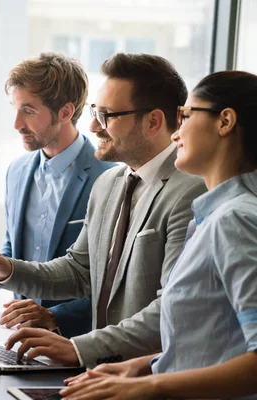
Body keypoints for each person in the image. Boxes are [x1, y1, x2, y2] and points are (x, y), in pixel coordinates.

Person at [0, 53, 206, 368]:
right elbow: (78, 271)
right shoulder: (109, 183)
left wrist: (78, 349)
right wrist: (5, 270)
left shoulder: (192, 191)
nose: (93, 125)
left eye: (106, 115)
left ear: (153, 122)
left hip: (150, 378)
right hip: (100, 373)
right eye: (96, 111)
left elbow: (170, 310)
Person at [59, 70, 257, 400]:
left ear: (225, 122)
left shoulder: (236, 219)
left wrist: (150, 385)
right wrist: (145, 366)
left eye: (186, 115)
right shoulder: (211, 217)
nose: (176, 131)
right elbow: (213, 343)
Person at [0, 52, 114, 338]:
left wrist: (54, 318)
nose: (17, 123)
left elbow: (114, 282)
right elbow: (14, 248)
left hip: (79, 342)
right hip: (19, 337)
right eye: (15, 109)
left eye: (29, 111)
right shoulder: (17, 170)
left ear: (65, 112)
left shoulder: (108, 176)